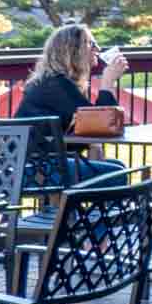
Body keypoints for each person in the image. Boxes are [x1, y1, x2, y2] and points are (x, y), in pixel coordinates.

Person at [14, 22, 128, 183]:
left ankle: (74, 208)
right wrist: (107, 82)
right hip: (33, 170)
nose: (98, 49)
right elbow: (100, 124)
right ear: (73, 51)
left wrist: (94, 146)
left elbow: (91, 129)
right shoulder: (56, 84)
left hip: (35, 164)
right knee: (115, 174)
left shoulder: (56, 82)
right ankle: (76, 208)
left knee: (117, 167)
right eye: (91, 44)